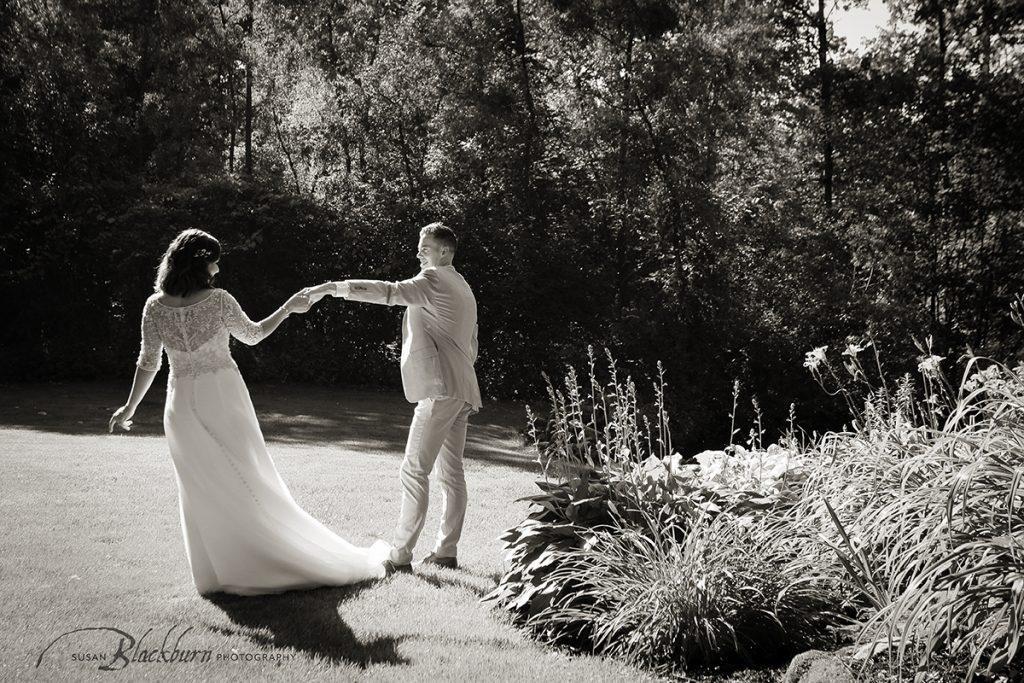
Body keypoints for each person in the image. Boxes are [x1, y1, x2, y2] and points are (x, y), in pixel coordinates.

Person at [108, 229, 388, 595]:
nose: (218, 267)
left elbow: (149, 362)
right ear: (201, 262)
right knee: (249, 479)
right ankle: (261, 562)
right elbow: (253, 335)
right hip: (223, 396)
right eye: (215, 260)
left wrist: (130, 406)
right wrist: (287, 308)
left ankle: (220, 573)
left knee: (204, 488)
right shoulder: (218, 300)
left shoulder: (155, 306)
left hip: (179, 403)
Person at [305, 222, 481, 573]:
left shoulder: (433, 280)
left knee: (414, 470)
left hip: (441, 389)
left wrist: (333, 288)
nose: (418, 253)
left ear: (444, 252)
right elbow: (472, 342)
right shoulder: (462, 285)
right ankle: (446, 551)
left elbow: (389, 292)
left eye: (425, 248)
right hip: (463, 389)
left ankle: (400, 557)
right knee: (452, 473)